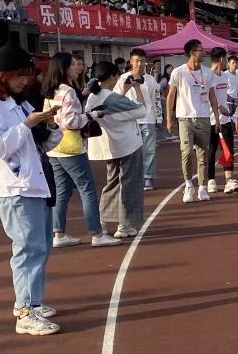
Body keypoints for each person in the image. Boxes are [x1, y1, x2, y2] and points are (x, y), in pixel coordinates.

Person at [0, 42, 63, 334]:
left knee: (40, 246)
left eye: (27, 75)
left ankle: (31, 303)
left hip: (34, 184)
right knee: (28, 248)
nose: (25, 80)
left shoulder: (22, 103)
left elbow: (43, 144)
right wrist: (26, 125)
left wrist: (50, 126)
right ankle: (26, 310)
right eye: (20, 75)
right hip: (14, 187)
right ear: (4, 75)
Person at [42, 51, 119, 247]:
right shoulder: (68, 91)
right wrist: (92, 115)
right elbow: (72, 122)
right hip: (71, 146)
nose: (77, 68)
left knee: (62, 190)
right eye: (73, 65)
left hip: (54, 146)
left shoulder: (50, 90)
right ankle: (97, 233)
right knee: (87, 189)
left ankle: (58, 233)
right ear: (64, 68)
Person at [85, 61, 146, 239]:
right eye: (117, 76)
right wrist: (137, 88)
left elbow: (115, 108)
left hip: (109, 146)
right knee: (130, 184)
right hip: (128, 145)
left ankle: (103, 223)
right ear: (112, 77)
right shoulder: (112, 98)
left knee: (112, 184)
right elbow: (141, 110)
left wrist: (124, 91)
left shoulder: (93, 97)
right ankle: (125, 225)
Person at [165, 39, 223, 203]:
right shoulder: (179, 72)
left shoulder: (208, 73)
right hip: (184, 118)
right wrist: (169, 118)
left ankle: (202, 187)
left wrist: (216, 118)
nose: (204, 53)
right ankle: (189, 184)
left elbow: (212, 96)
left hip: (204, 117)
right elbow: (171, 95)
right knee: (187, 152)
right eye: (201, 50)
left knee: (203, 154)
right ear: (192, 53)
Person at [116, 49, 161, 190]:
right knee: (130, 150)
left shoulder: (151, 80)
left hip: (147, 119)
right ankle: (131, 176)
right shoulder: (123, 78)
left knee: (148, 150)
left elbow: (156, 100)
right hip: (129, 120)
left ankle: (148, 177)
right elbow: (117, 98)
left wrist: (159, 118)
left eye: (142, 61)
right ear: (131, 61)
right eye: (137, 61)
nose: (140, 64)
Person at [206, 48, 238, 194]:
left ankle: (229, 180)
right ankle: (211, 180)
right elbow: (205, 96)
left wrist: (235, 100)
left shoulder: (224, 76)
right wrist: (218, 106)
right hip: (210, 120)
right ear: (222, 59)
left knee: (228, 150)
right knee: (211, 151)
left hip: (225, 119)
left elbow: (225, 95)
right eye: (226, 59)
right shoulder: (207, 76)